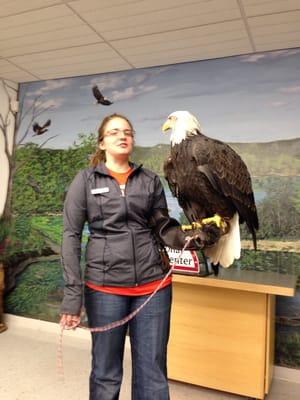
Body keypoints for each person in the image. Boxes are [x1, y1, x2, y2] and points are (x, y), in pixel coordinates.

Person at [59, 113, 220, 400]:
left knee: (153, 373)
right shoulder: (84, 181)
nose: (122, 137)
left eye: (128, 132)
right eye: (114, 132)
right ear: (102, 143)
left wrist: (190, 238)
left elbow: (162, 226)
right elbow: (70, 235)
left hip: (152, 287)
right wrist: (73, 296)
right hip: (104, 287)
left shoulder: (149, 180)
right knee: (106, 372)